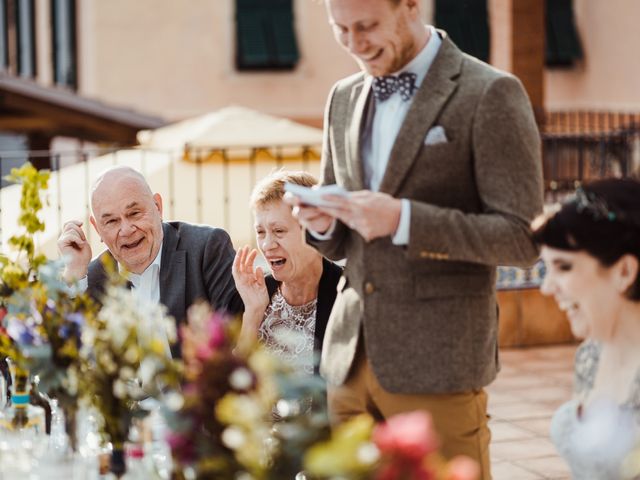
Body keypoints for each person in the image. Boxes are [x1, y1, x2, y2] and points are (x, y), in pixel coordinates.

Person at [286, 0, 544, 475]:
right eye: (339, 29)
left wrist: (404, 219)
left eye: (366, 26)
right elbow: (344, 241)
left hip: (438, 364)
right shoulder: (342, 97)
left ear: (410, 6)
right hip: (348, 361)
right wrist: (322, 224)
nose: (354, 44)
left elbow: (522, 239)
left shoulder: (490, 92)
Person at [57, 166, 243, 355]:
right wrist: (74, 275)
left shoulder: (206, 248)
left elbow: (235, 337)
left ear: (158, 207)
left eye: (134, 213)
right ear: (97, 230)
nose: (127, 230)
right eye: (112, 221)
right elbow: (68, 358)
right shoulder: (92, 278)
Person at [533, 178, 640, 480]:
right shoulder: (590, 356)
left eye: (564, 267)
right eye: (546, 269)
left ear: (624, 271)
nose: (546, 288)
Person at [232, 171, 342, 376]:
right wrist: (253, 313)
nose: (267, 245)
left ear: (312, 230)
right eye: (260, 232)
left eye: (279, 231)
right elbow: (232, 386)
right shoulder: (251, 296)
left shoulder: (348, 292)